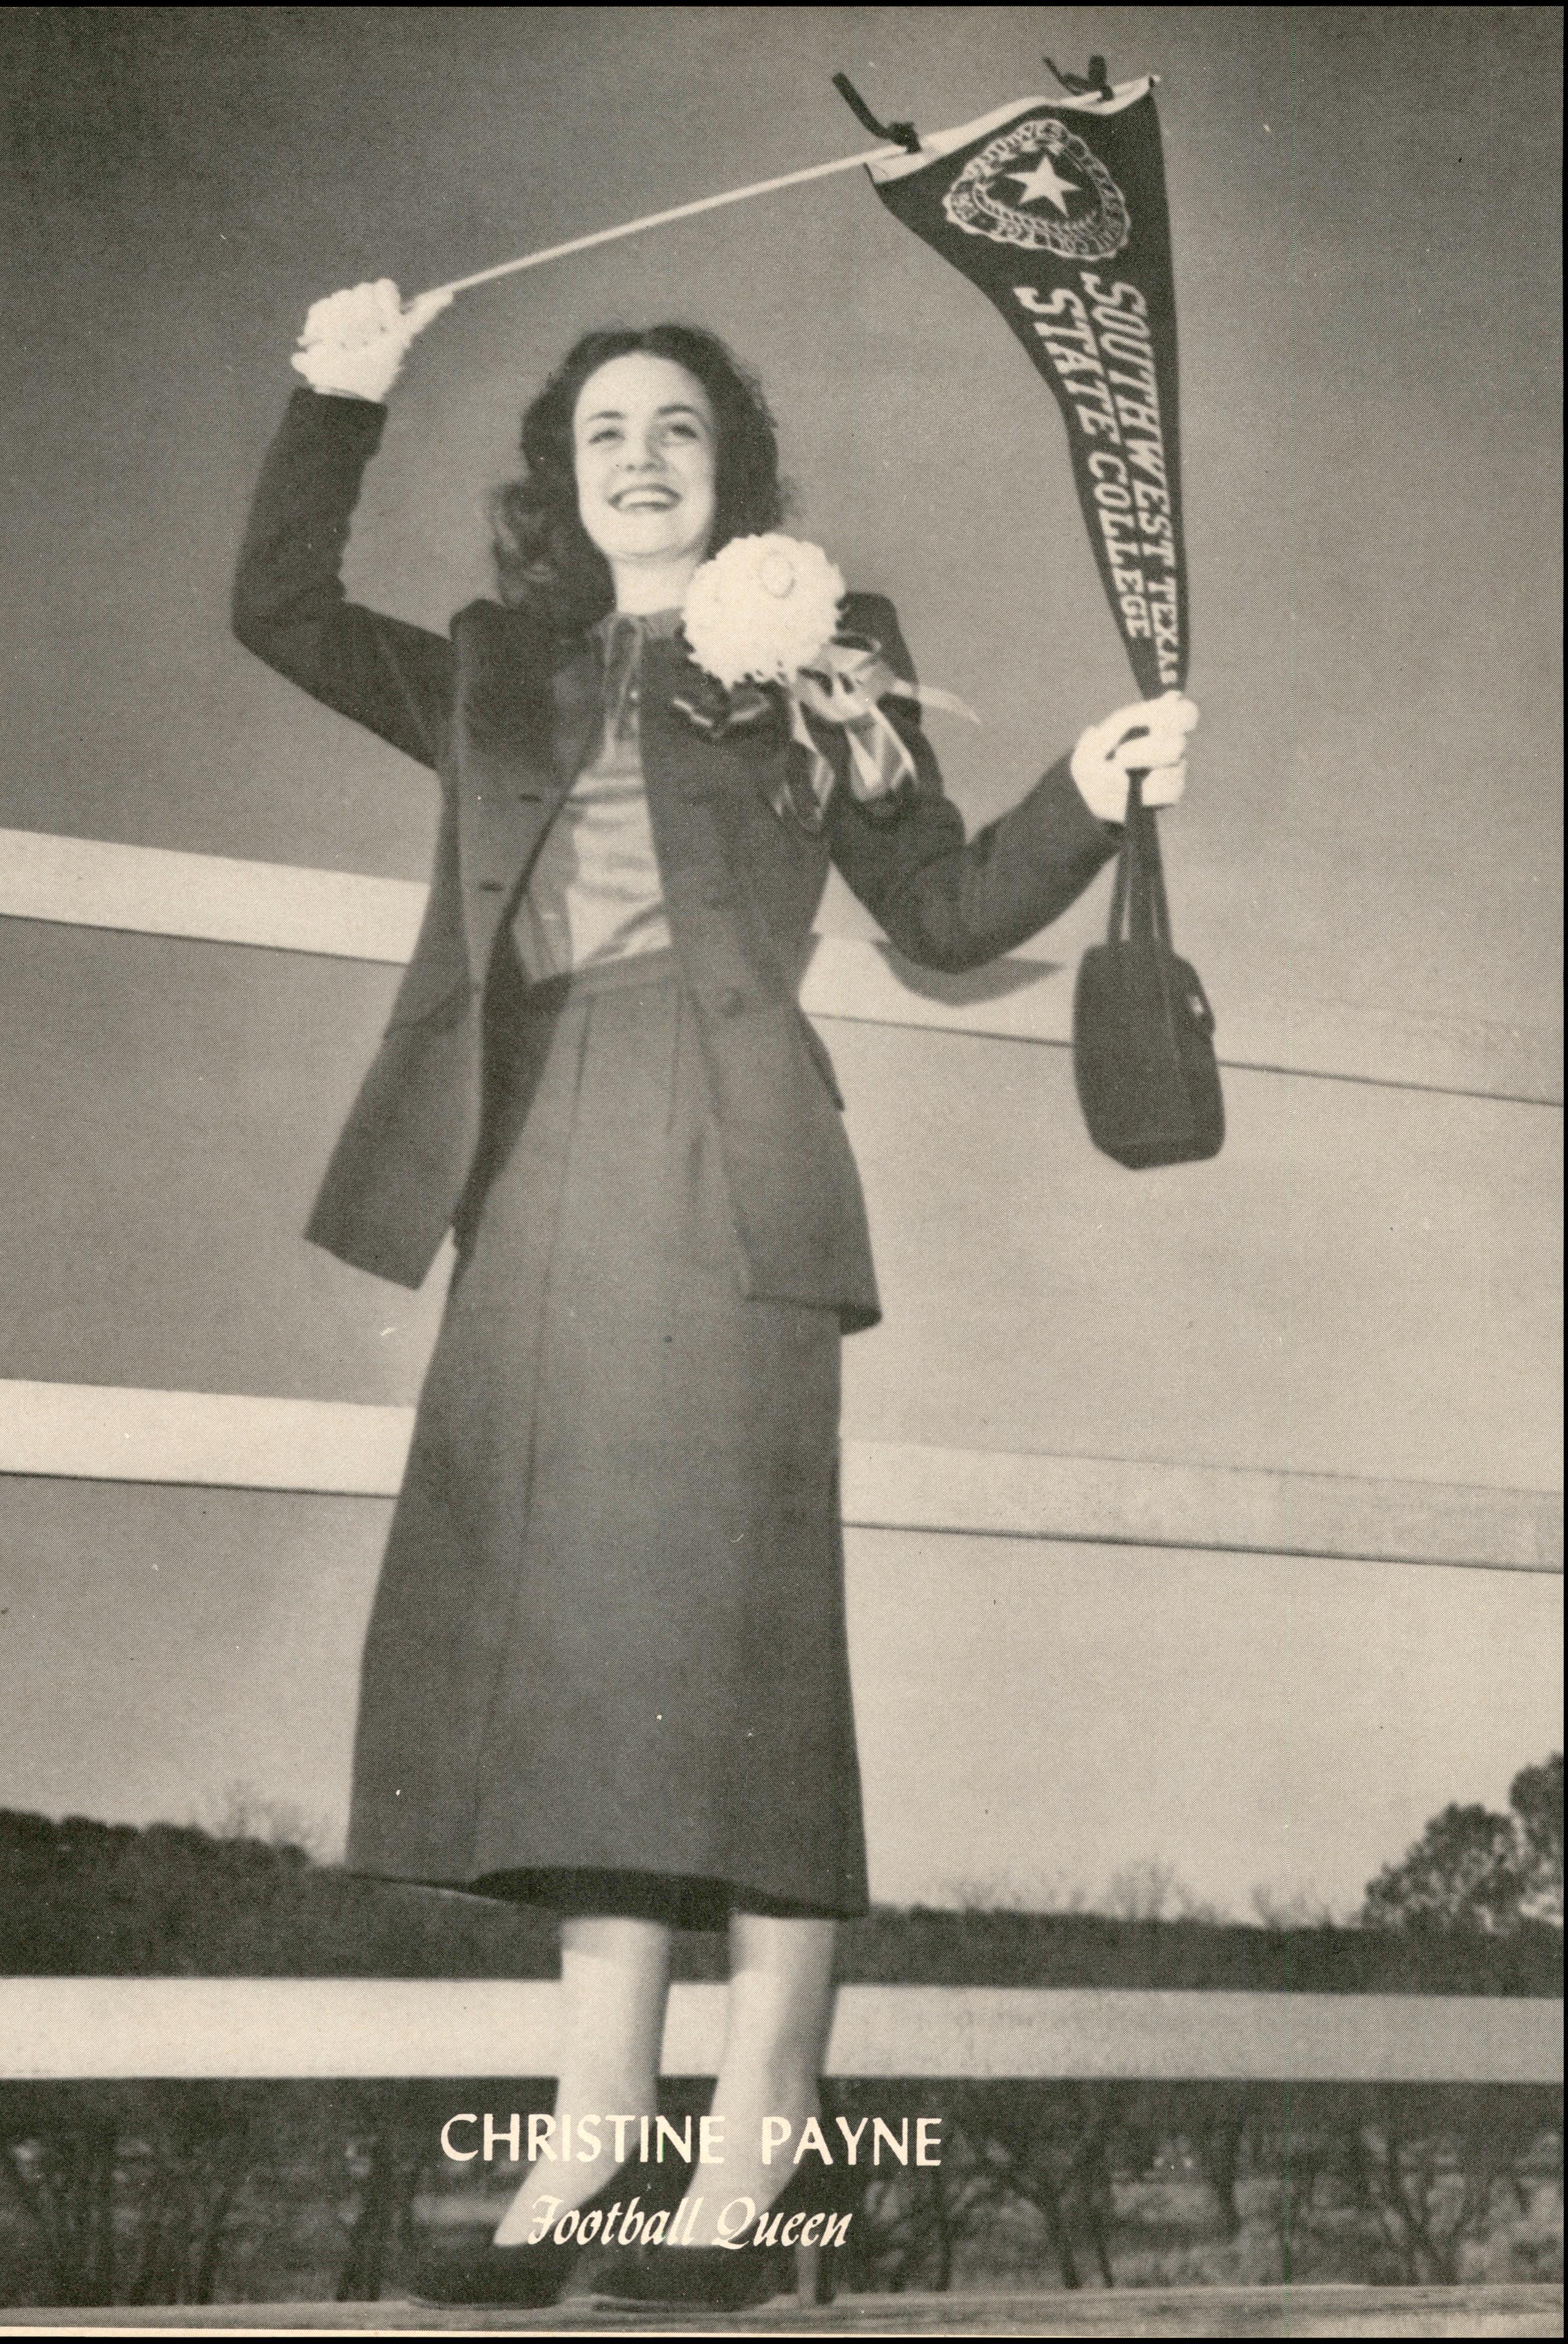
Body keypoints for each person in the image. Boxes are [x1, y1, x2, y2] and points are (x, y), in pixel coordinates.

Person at [232, 279, 1196, 2308]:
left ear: (729, 472)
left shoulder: (822, 652)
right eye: (603, 438)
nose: (641, 459)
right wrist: (337, 397)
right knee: (574, 1676)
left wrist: (1090, 795)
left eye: (678, 428)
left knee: (744, 1670)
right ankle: (587, 2167)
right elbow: (284, 610)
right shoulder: (494, 670)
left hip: (737, 1174)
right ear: (561, 492)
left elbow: (941, 912)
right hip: (533, 1174)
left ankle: (754, 2181)